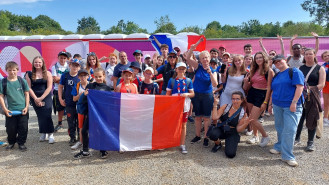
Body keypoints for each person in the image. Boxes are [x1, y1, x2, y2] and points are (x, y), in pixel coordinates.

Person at [269, 55, 304, 167]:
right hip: (277, 104)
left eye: (280, 61)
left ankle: (288, 156)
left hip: (291, 106)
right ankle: (279, 146)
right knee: (280, 128)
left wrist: (294, 102)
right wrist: (270, 104)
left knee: (289, 130)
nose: (278, 63)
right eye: (275, 62)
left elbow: (300, 87)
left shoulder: (294, 71)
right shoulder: (277, 75)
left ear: (286, 60)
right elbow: (273, 90)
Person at [74, 68, 112, 159]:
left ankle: (103, 151)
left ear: (103, 76)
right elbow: (83, 101)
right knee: (84, 131)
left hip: (102, 115)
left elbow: (109, 103)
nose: (98, 78)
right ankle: (85, 151)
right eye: (96, 76)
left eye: (100, 76)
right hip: (91, 114)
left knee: (101, 132)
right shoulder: (90, 86)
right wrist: (84, 95)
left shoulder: (107, 88)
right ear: (93, 76)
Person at [186, 37, 217, 147]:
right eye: (203, 58)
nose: (205, 59)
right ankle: (198, 135)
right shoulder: (198, 67)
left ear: (209, 58)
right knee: (198, 117)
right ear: (200, 59)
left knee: (206, 118)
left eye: (206, 57)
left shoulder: (213, 70)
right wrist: (192, 49)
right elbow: (188, 58)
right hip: (197, 95)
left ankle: (206, 137)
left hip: (207, 96)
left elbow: (215, 84)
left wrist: (209, 73)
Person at [295, 48, 326, 151]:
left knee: (312, 118)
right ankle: (296, 138)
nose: (308, 56)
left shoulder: (320, 68)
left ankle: (310, 142)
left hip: (313, 97)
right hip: (301, 96)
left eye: (310, 54)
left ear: (314, 55)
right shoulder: (300, 68)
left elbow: (322, 84)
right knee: (299, 118)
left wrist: (309, 89)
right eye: (306, 54)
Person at [209, 91, 252, 158]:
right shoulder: (226, 106)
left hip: (232, 132)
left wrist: (245, 124)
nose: (235, 101)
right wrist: (215, 104)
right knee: (212, 134)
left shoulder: (242, 112)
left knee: (230, 154)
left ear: (242, 100)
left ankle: (230, 141)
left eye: (237, 99)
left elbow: (238, 129)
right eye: (233, 99)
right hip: (222, 129)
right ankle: (218, 144)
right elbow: (215, 117)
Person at [243, 51, 273, 147]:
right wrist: (246, 82)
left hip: (262, 95)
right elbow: (251, 83)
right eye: (256, 58)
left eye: (260, 57)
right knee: (251, 117)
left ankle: (265, 136)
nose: (258, 59)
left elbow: (269, 88)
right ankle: (256, 137)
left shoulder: (269, 71)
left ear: (264, 58)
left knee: (253, 119)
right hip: (252, 93)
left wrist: (265, 102)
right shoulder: (254, 69)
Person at [0, 61, 30, 151]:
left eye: (14, 70)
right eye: (9, 70)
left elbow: (27, 94)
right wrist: (5, 109)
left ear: (17, 70)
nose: (12, 72)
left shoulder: (22, 81)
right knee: (11, 129)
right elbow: (1, 96)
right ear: (6, 70)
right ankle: (11, 142)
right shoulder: (3, 82)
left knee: (23, 128)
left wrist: (26, 107)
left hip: (22, 110)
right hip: (10, 110)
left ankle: (21, 143)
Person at [166, 62, 194, 154]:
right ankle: (169, 143)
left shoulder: (189, 81)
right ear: (176, 69)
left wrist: (187, 94)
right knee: (171, 124)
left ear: (185, 70)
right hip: (174, 106)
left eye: (183, 68)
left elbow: (193, 94)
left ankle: (182, 144)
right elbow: (167, 95)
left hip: (184, 106)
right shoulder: (172, 80)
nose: (181, 70)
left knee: (183, 125)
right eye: (180, 68)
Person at [25, 56, 55, 144]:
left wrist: (41, 98)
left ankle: (50, 134)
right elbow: (28, 88)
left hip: (46, 96)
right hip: (34, 97)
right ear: (33, 64)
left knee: (47, 114)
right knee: (40, 115)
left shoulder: (48, 73)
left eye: (39, 62)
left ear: (42, 64)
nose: (37, 64)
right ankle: (43, 133)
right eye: (36, 62)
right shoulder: (29, 74)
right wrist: (35, 99)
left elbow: (49, 87)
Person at [58, 59, 81, 146]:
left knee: (79, 121)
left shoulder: (81, 75)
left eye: (77, 65)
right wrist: (60, 98)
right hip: (69, 103)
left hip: (80, 103)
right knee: (70, 121)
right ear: (70, 65)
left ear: (79, 67)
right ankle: (72, 137)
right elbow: (60, 87)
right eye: (73, 65)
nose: (75, 67)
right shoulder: (65, 76)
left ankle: (80, 137)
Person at [70, 69, 89, 150]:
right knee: (81, 126)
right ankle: (81, 142)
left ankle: (90, 142)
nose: (83, 77)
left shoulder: (91, 85)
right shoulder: (77, 85)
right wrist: (81, 95)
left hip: (90, 109)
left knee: (90, 125)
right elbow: (74, 99)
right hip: (81, 108)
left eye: (85, 75)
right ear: (78, 77)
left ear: (88, 76)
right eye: (81, 75)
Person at [52, 51, 70, 132]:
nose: (62, 59)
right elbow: (55, 79)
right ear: (58, 58)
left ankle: (71, 123)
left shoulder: (69, 66)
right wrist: (64, 79)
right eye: (61, 58)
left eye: (64, 58)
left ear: (67, 58)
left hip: (68, 89)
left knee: (70, 107)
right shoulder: (54, 67)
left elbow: (71, 77)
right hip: (57, 90)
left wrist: (60, 80)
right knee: (60, 108)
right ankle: (60, 123)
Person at [321, 51, 329, 126]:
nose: (326, 57)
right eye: (325, 56)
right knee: (326, 103)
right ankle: (325, 118)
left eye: (328, 55)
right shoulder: (323, 66)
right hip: (326, 85)